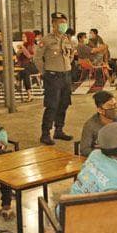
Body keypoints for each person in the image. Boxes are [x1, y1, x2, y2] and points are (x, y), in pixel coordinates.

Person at [34, 12, 75, 145]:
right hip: (53, 76)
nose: (63, 25)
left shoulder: (66, 39)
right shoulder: (46, 40)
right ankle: (45, 134)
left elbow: (70, 55)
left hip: (66, 75)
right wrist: (45, 73)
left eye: (64, 22)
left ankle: (59, 130)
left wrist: (67, 66)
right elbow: (37, 58)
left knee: (64, 104)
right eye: (60, 23)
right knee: (52, 105)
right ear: (53, 24)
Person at [79, 91, 117, 157]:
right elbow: (84, 149)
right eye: (110, 106)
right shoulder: (90, 125)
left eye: (115, 105)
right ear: (100, 110)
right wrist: (103, 152)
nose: (114, 109)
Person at [16, 31, 37, 102]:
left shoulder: (33, 46)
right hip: (25, 67)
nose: (23, 38)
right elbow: (18, 57)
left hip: (34, 66)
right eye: (22, 37)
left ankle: (18, 81)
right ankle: (29, 95)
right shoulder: (23, 46)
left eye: (24, 37)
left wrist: (23, 48)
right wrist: (19, 51)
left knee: (24, 70)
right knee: (24, 71)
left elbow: (29, 56)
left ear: (29, 37)